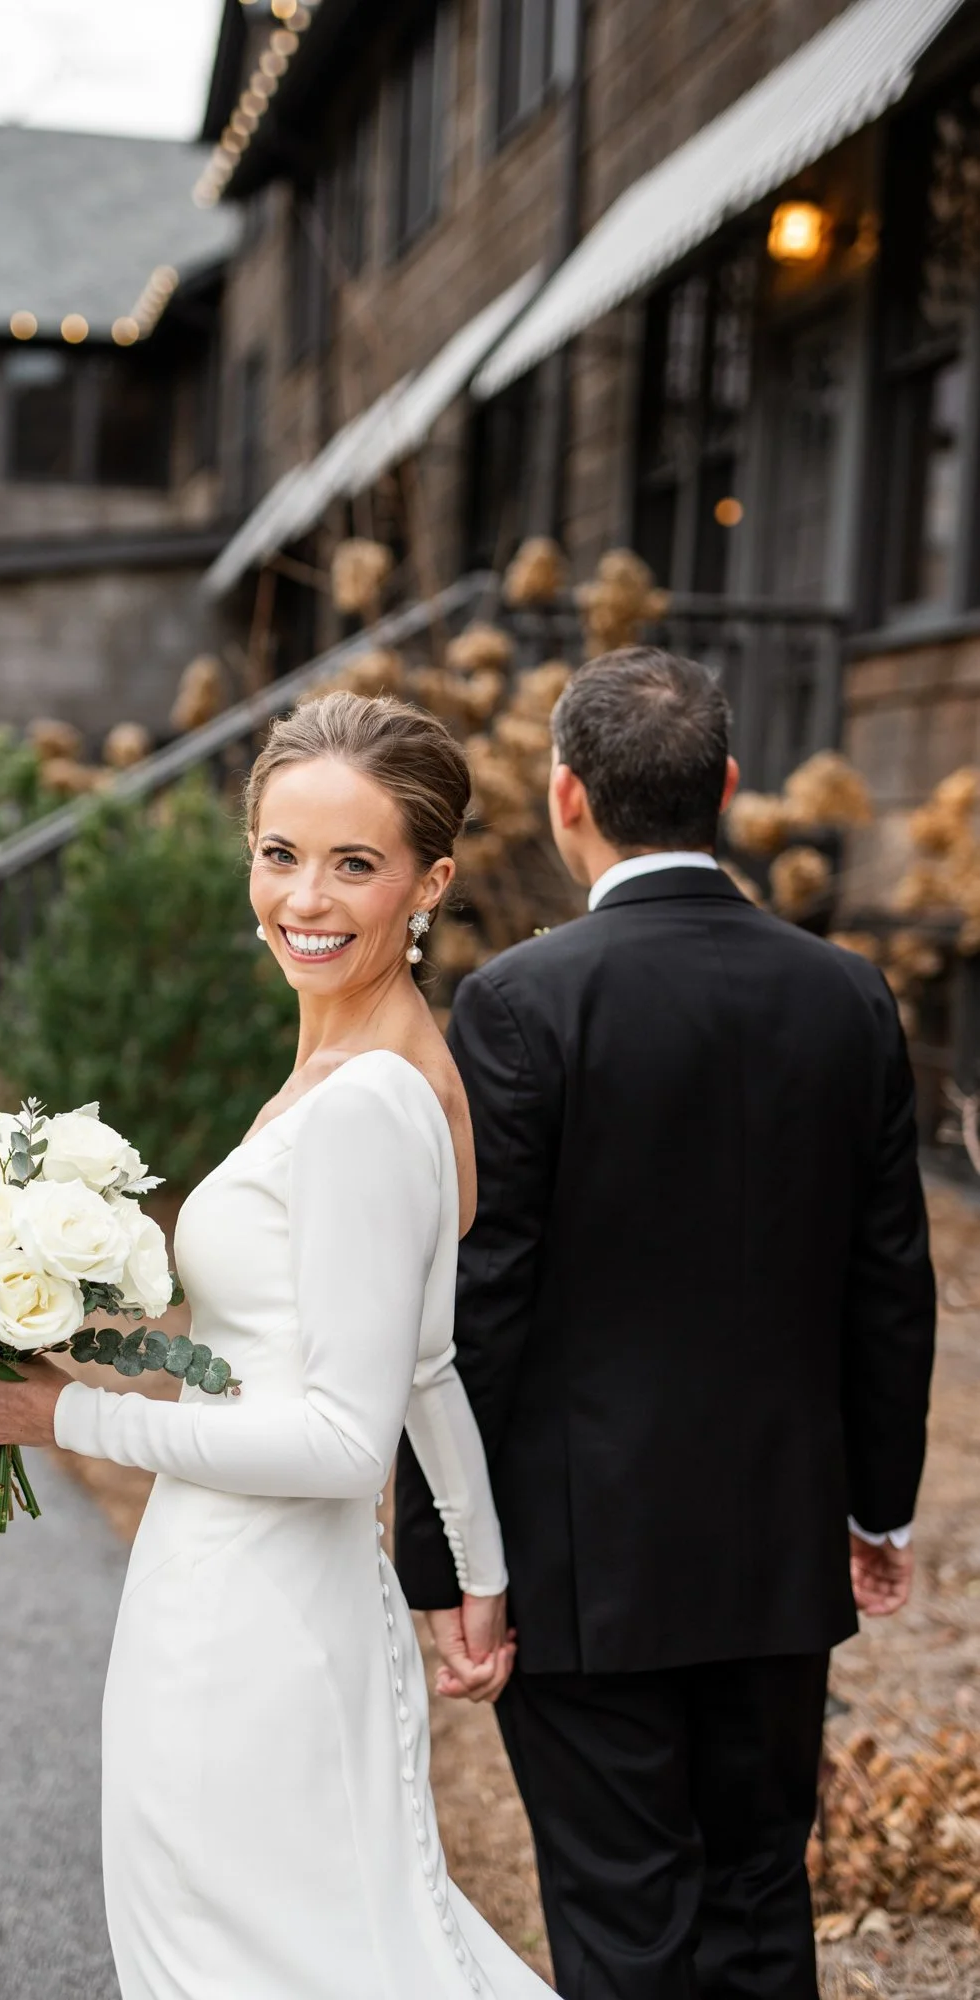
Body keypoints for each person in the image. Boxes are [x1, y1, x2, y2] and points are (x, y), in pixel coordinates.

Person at [0, 692, 555, 2000]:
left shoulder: (365, 1103)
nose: (306, 898)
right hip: (290, 1595)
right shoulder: (373, 1063)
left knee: (245, 1960)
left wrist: (64, 1420)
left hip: (251, 1615)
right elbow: (422, 1364)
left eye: (355, 863)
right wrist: (482, 1572)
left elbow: (343, 1444)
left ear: (429, 882)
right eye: (281, 854)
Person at [395, 646, 937, 2000]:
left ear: (568, 797)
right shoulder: (847, 996)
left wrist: (444, 1561)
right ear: (733, 791)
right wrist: (879, 1510)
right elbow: (890, 1282)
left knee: (624, 1921)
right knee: (758, 1901)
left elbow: (481, 1300)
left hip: (589, 1563)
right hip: (777, 1542)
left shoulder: (519, 1004)